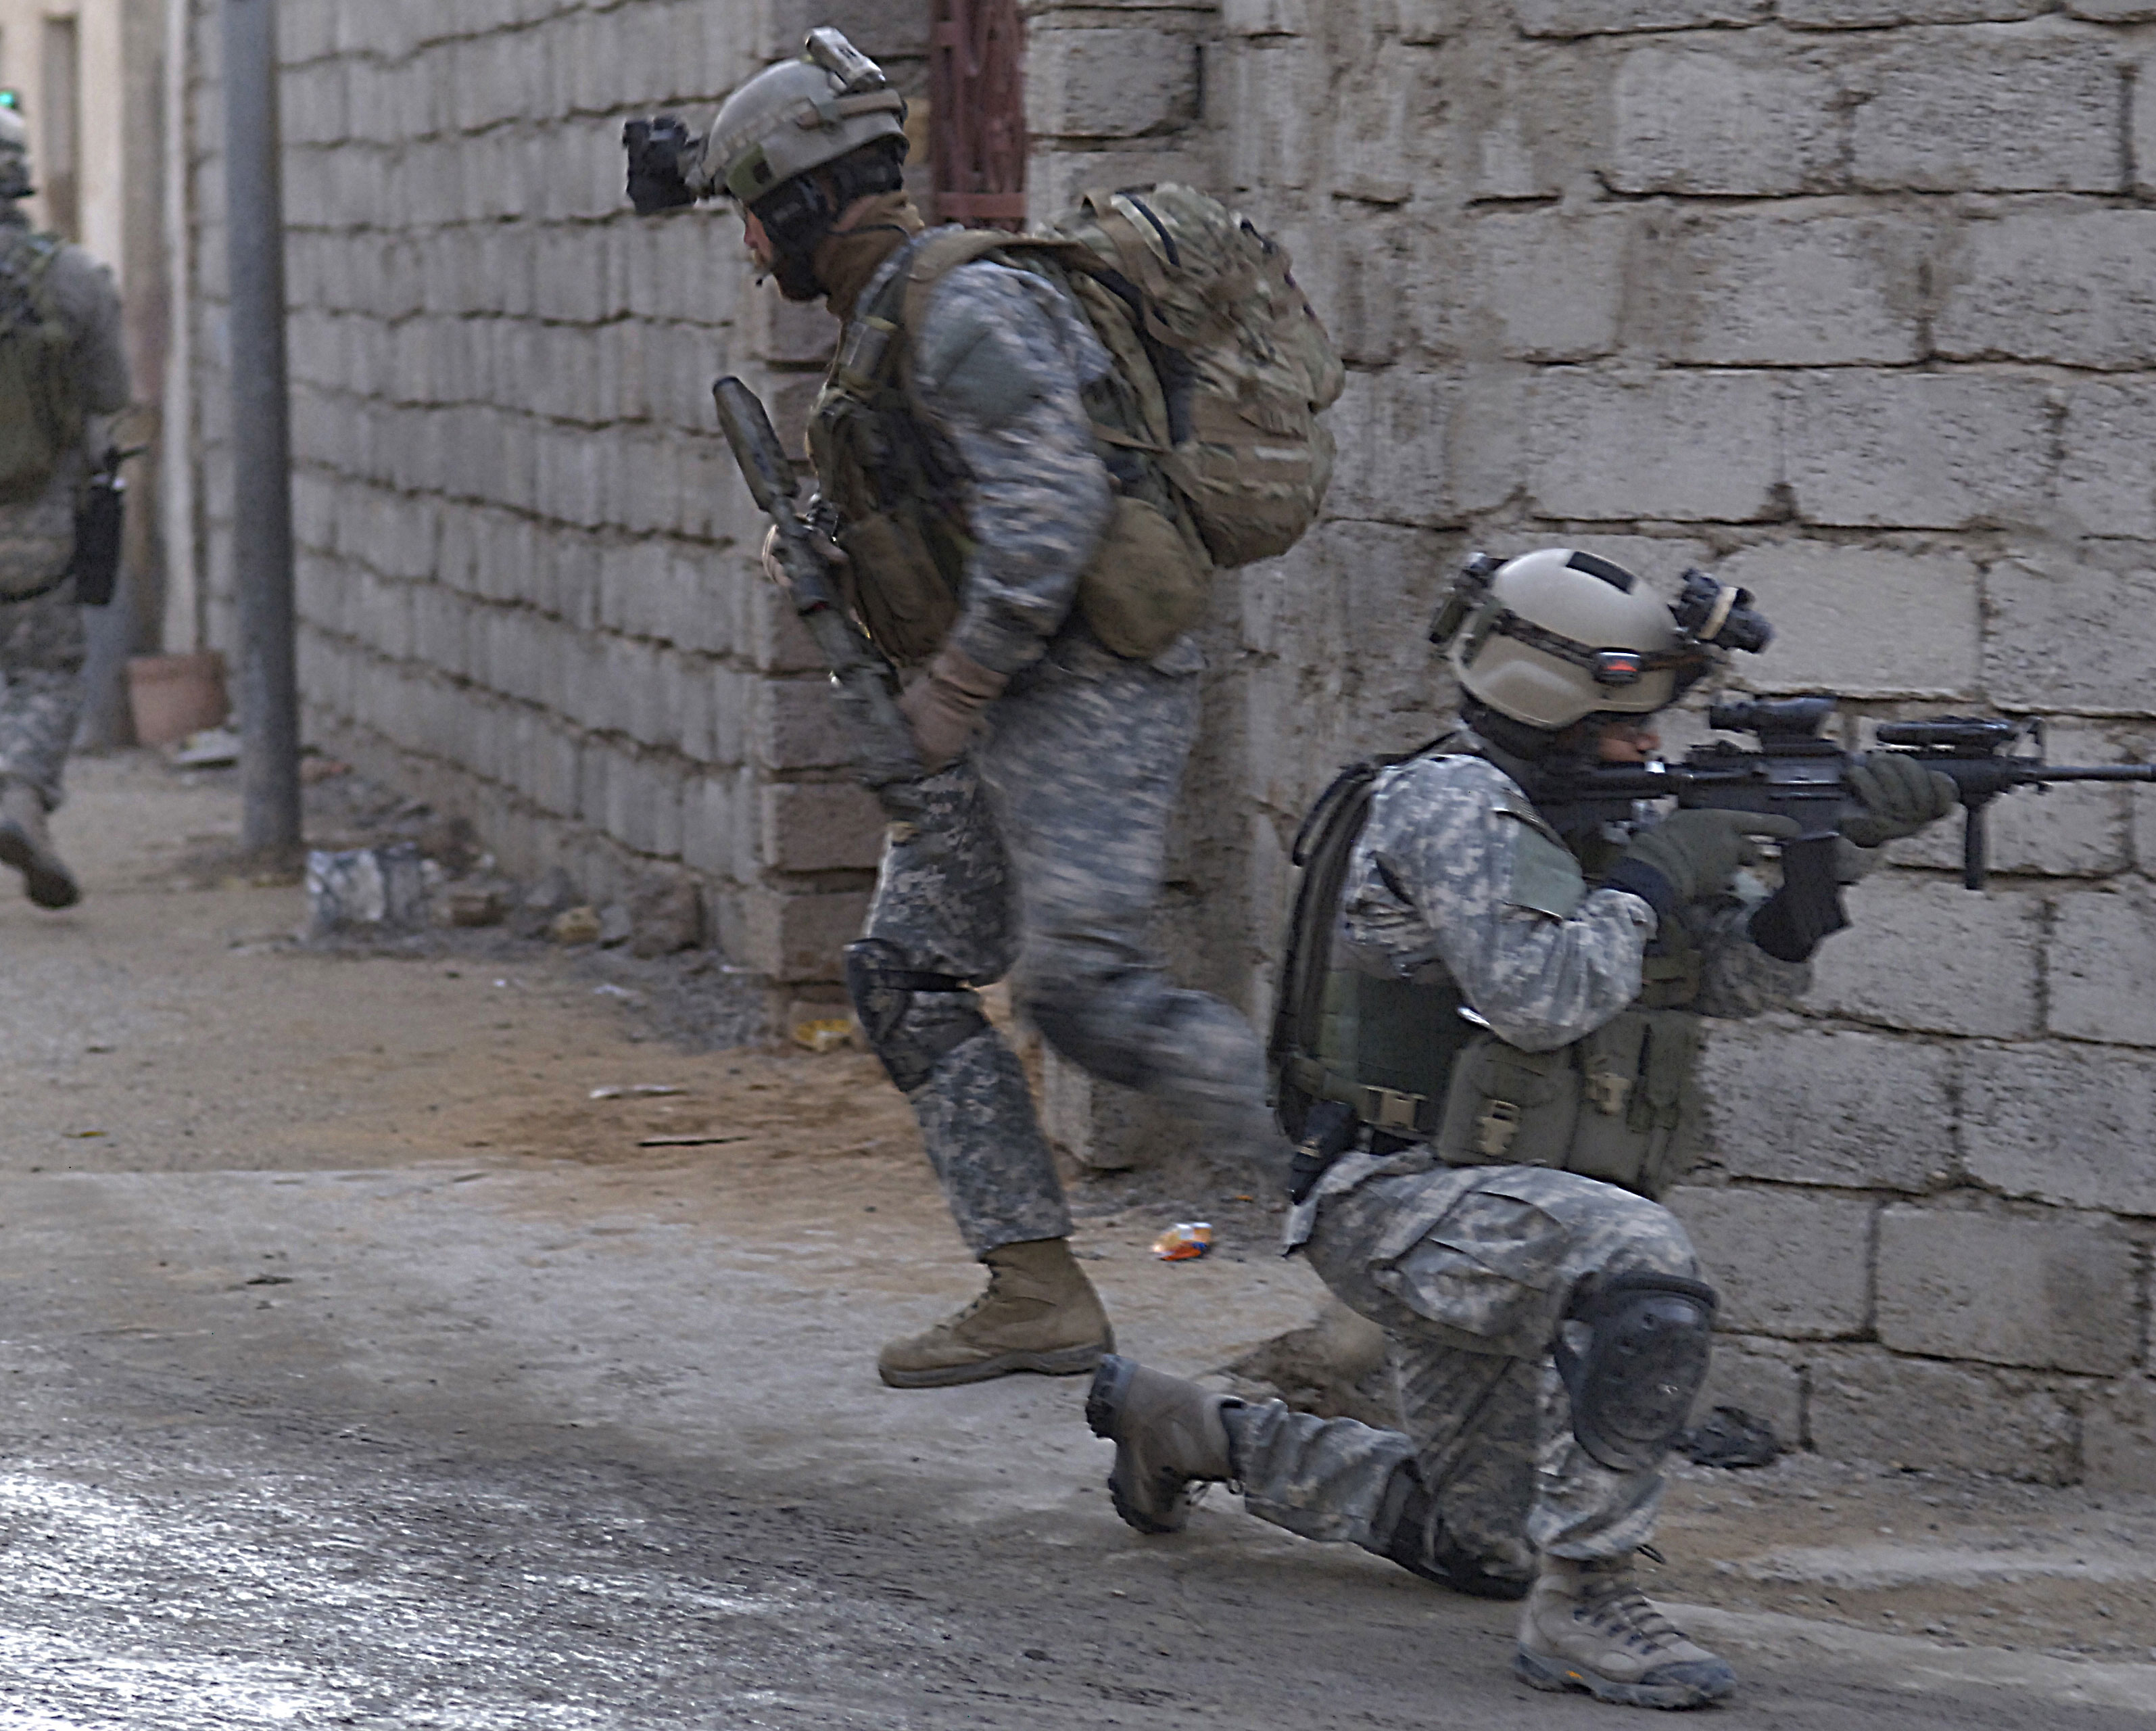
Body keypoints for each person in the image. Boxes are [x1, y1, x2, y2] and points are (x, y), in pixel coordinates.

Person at [1084, 548, 1958, 1710]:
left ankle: (1183, 1427)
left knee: (1479, 1541)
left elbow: (1730, 982)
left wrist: (1836, 852)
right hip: (1393, 1199)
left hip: (1497, 1203)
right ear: (1548, 706)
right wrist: (1652, 876)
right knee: (1641, 1263)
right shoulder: (1448, 804)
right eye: (1624, 725)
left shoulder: (1599, 816)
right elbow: (1537, 994)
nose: (1647, 749)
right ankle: (1586, 1607)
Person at [639, 33, 1289, 1387]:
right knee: (904, 976)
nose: (755, 254)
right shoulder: (893, 319)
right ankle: (1035, 1290)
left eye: (759, 220)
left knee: (1085, 995)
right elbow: (955, 499)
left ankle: (1369, 1236)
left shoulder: (960, 305)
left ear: (808, 205)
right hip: (1000, 694)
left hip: (1081, 679)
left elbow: (1050, 510)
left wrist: (953, 685)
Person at [0, 99, 129, 910]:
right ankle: (19, 798)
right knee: (46, 672)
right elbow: (111, 393)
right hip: (38, 520)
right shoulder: (73, 278)